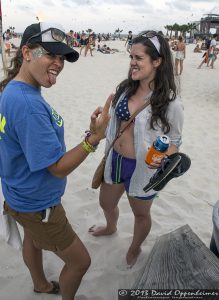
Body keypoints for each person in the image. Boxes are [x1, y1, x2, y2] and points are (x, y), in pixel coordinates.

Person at [0, 22, 111, 300]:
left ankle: (41, 284)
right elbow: (57, 168)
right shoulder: (28, 105)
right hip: (37, 203)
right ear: (27, 52)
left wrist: (90, 134)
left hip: (17, 193)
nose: (58, 63)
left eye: (61, 58)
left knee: (33, 239)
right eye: (50, 54)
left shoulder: (12, 90)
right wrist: (94, 139)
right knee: (80, 262)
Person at [89, 31, 184, 267]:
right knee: (106, 203)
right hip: (116, 160)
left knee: (141, 214)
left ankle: (135, 247)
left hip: (143, 168)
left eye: (139, 58)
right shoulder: (125, 89)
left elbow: (175, 140)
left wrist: (164, 157)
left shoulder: (170, 102)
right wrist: (97, 128)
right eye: (131, 56)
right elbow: (113, 124)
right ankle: (111, 227)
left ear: (157, 61)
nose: (132, 62)